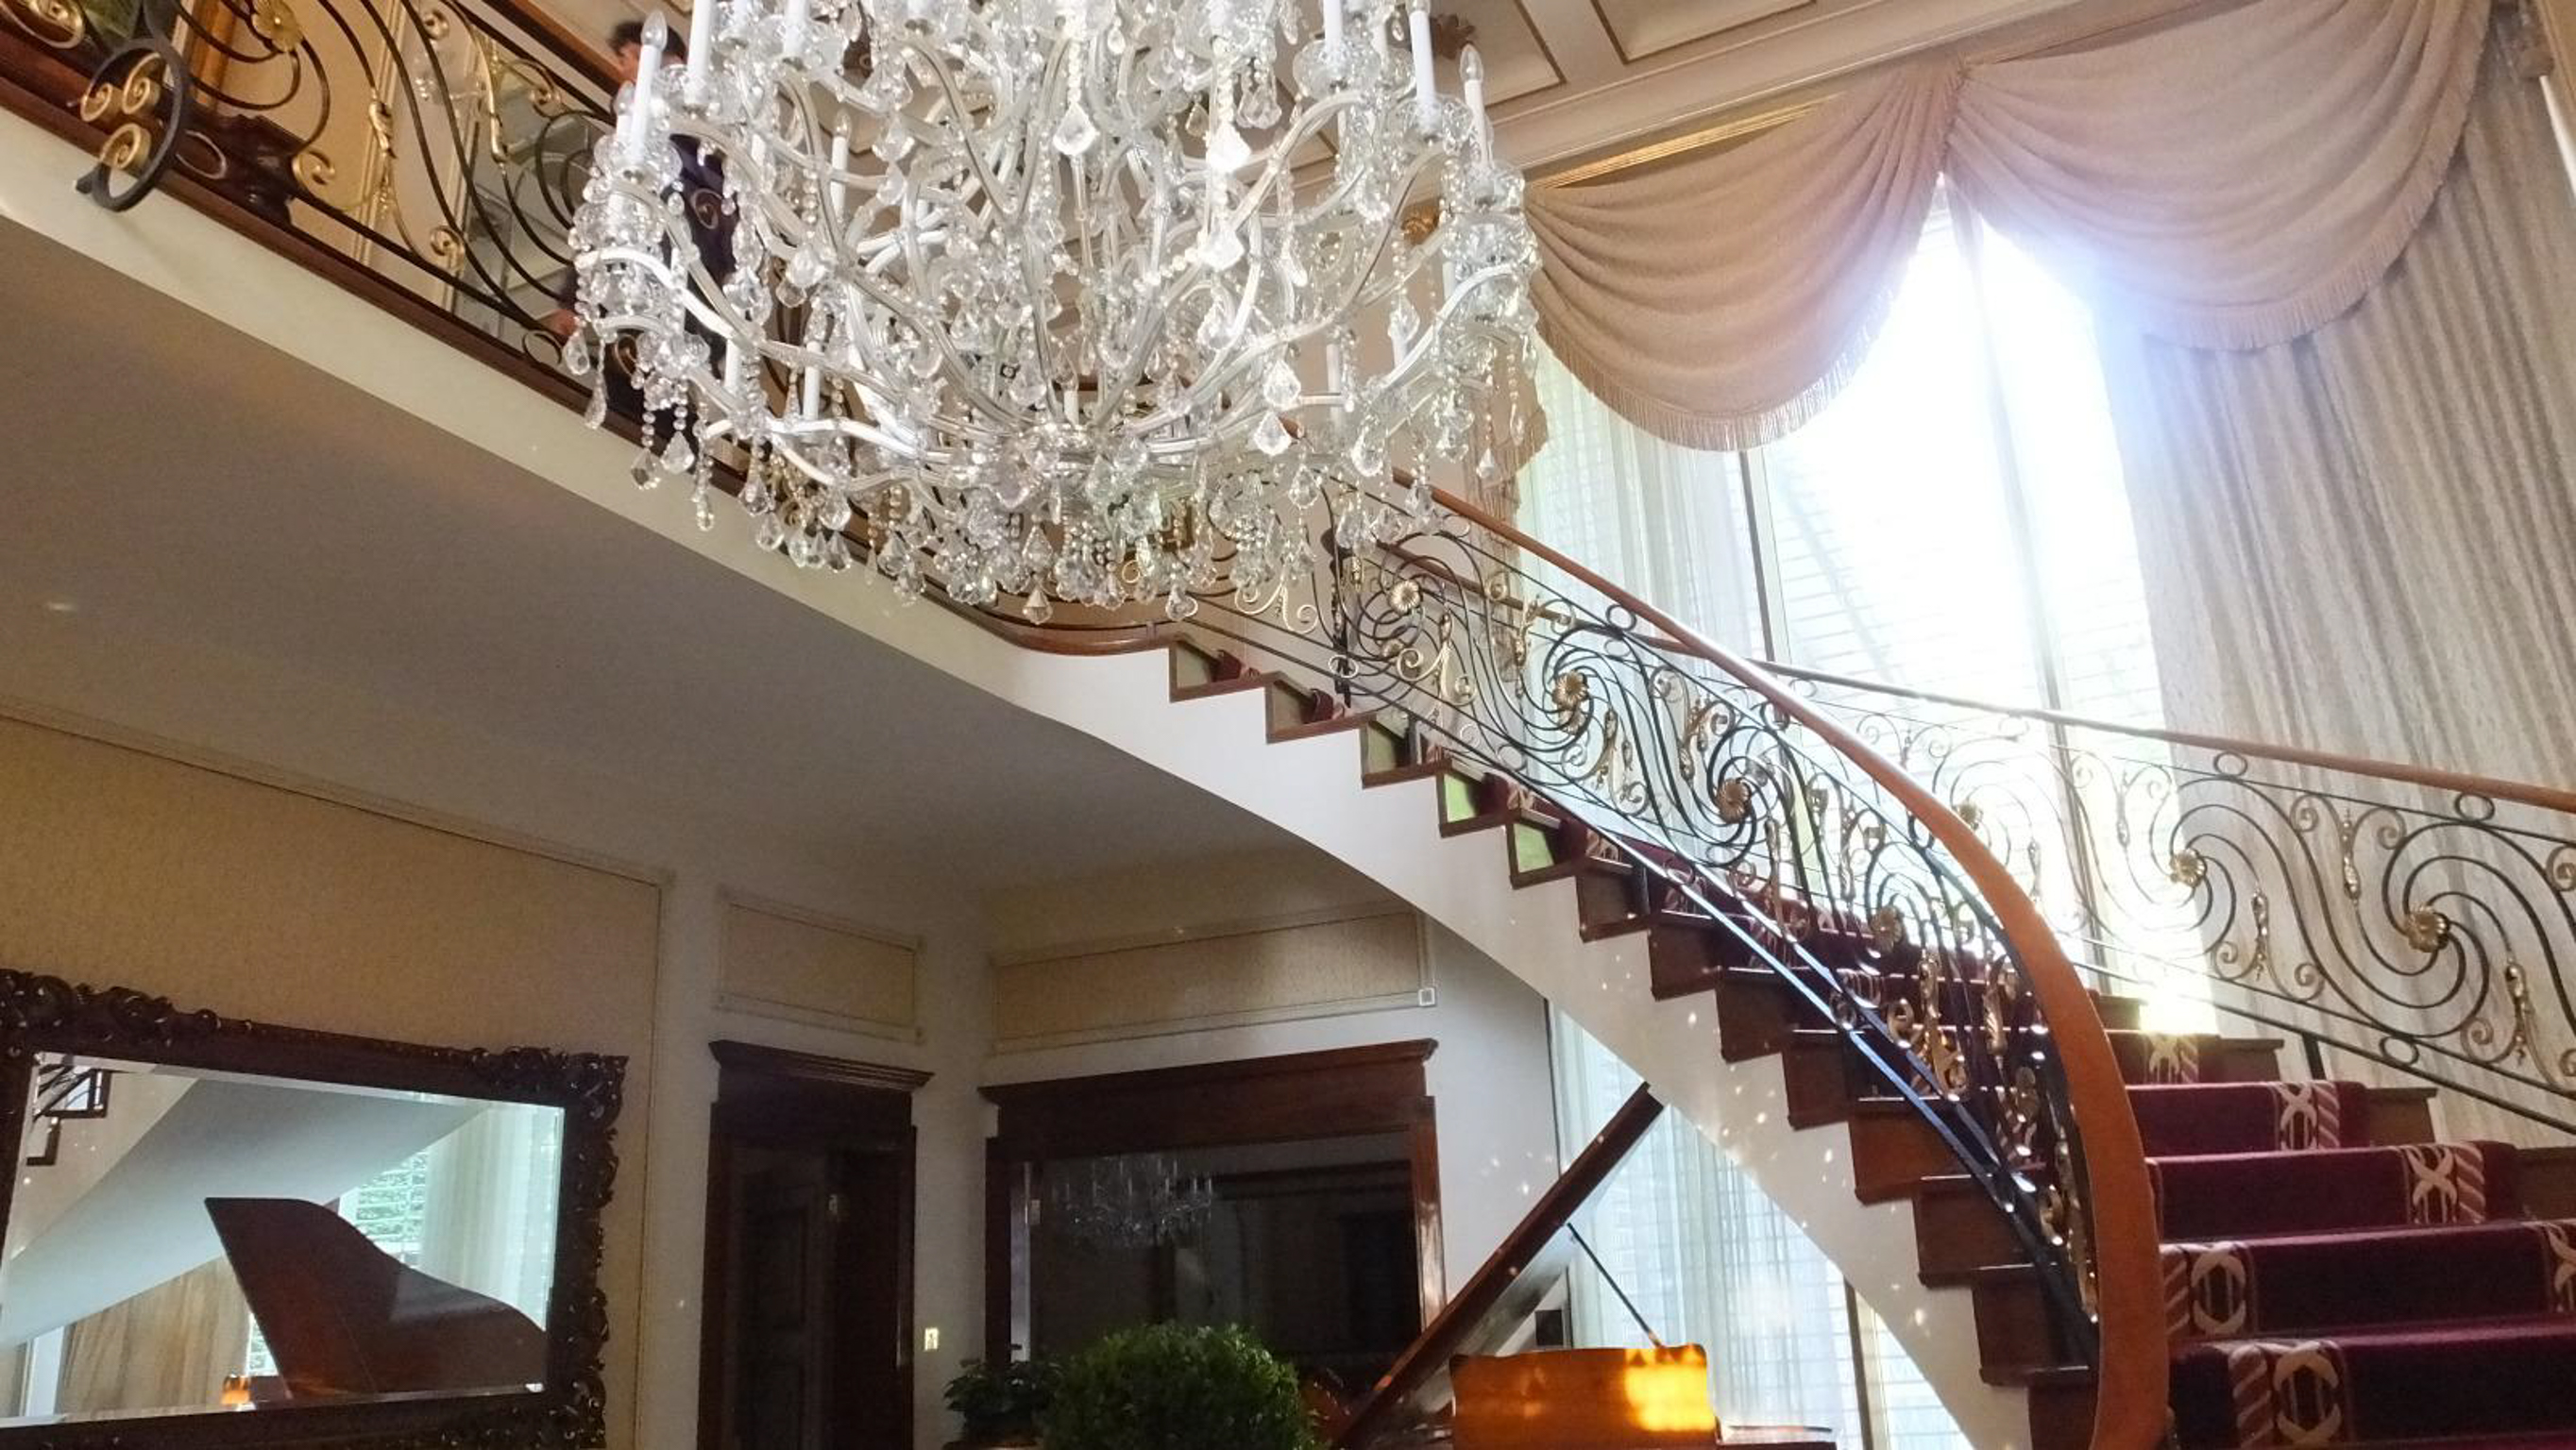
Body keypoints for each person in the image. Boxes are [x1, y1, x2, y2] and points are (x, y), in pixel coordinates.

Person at [549, 19, 736, 420]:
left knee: (670, 399)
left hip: (688, 299)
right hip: (633, 296)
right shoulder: (629, 149)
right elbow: (602, 224)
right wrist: (572, 297)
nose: (626, 69)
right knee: (630, 392)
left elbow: (724, 234)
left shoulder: (704, 154)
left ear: (678, 64)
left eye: (637, 56)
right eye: (622, 60)